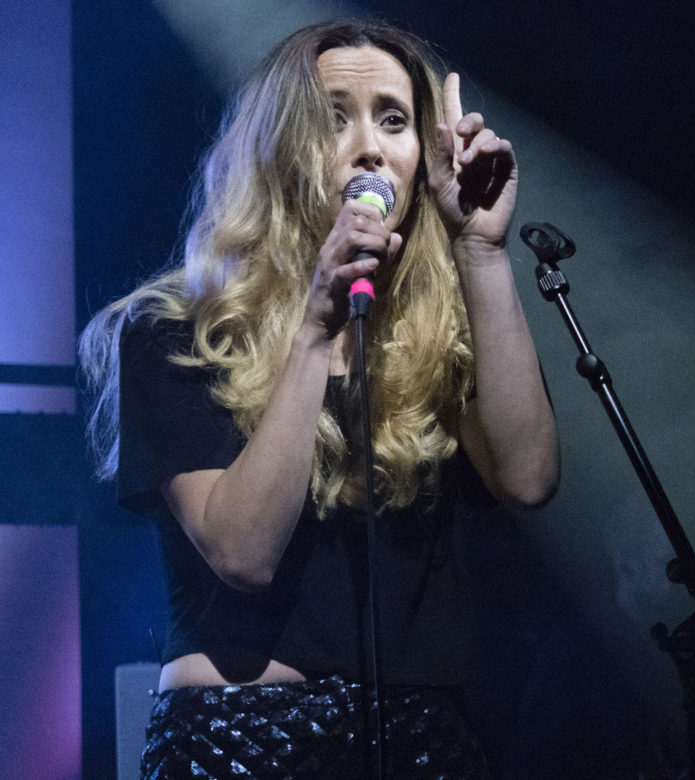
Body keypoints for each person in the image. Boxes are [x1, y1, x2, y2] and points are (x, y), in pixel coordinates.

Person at [79, 18, 559, 778]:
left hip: (422, 738)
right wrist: (314, 328)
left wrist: (482, 251)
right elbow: (242, 553)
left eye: (395, 120)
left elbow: (530, 478)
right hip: (241, 737)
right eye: (336, 116)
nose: (370, 145)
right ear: (279, 147)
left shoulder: (443, 335)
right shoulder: (173, 329)